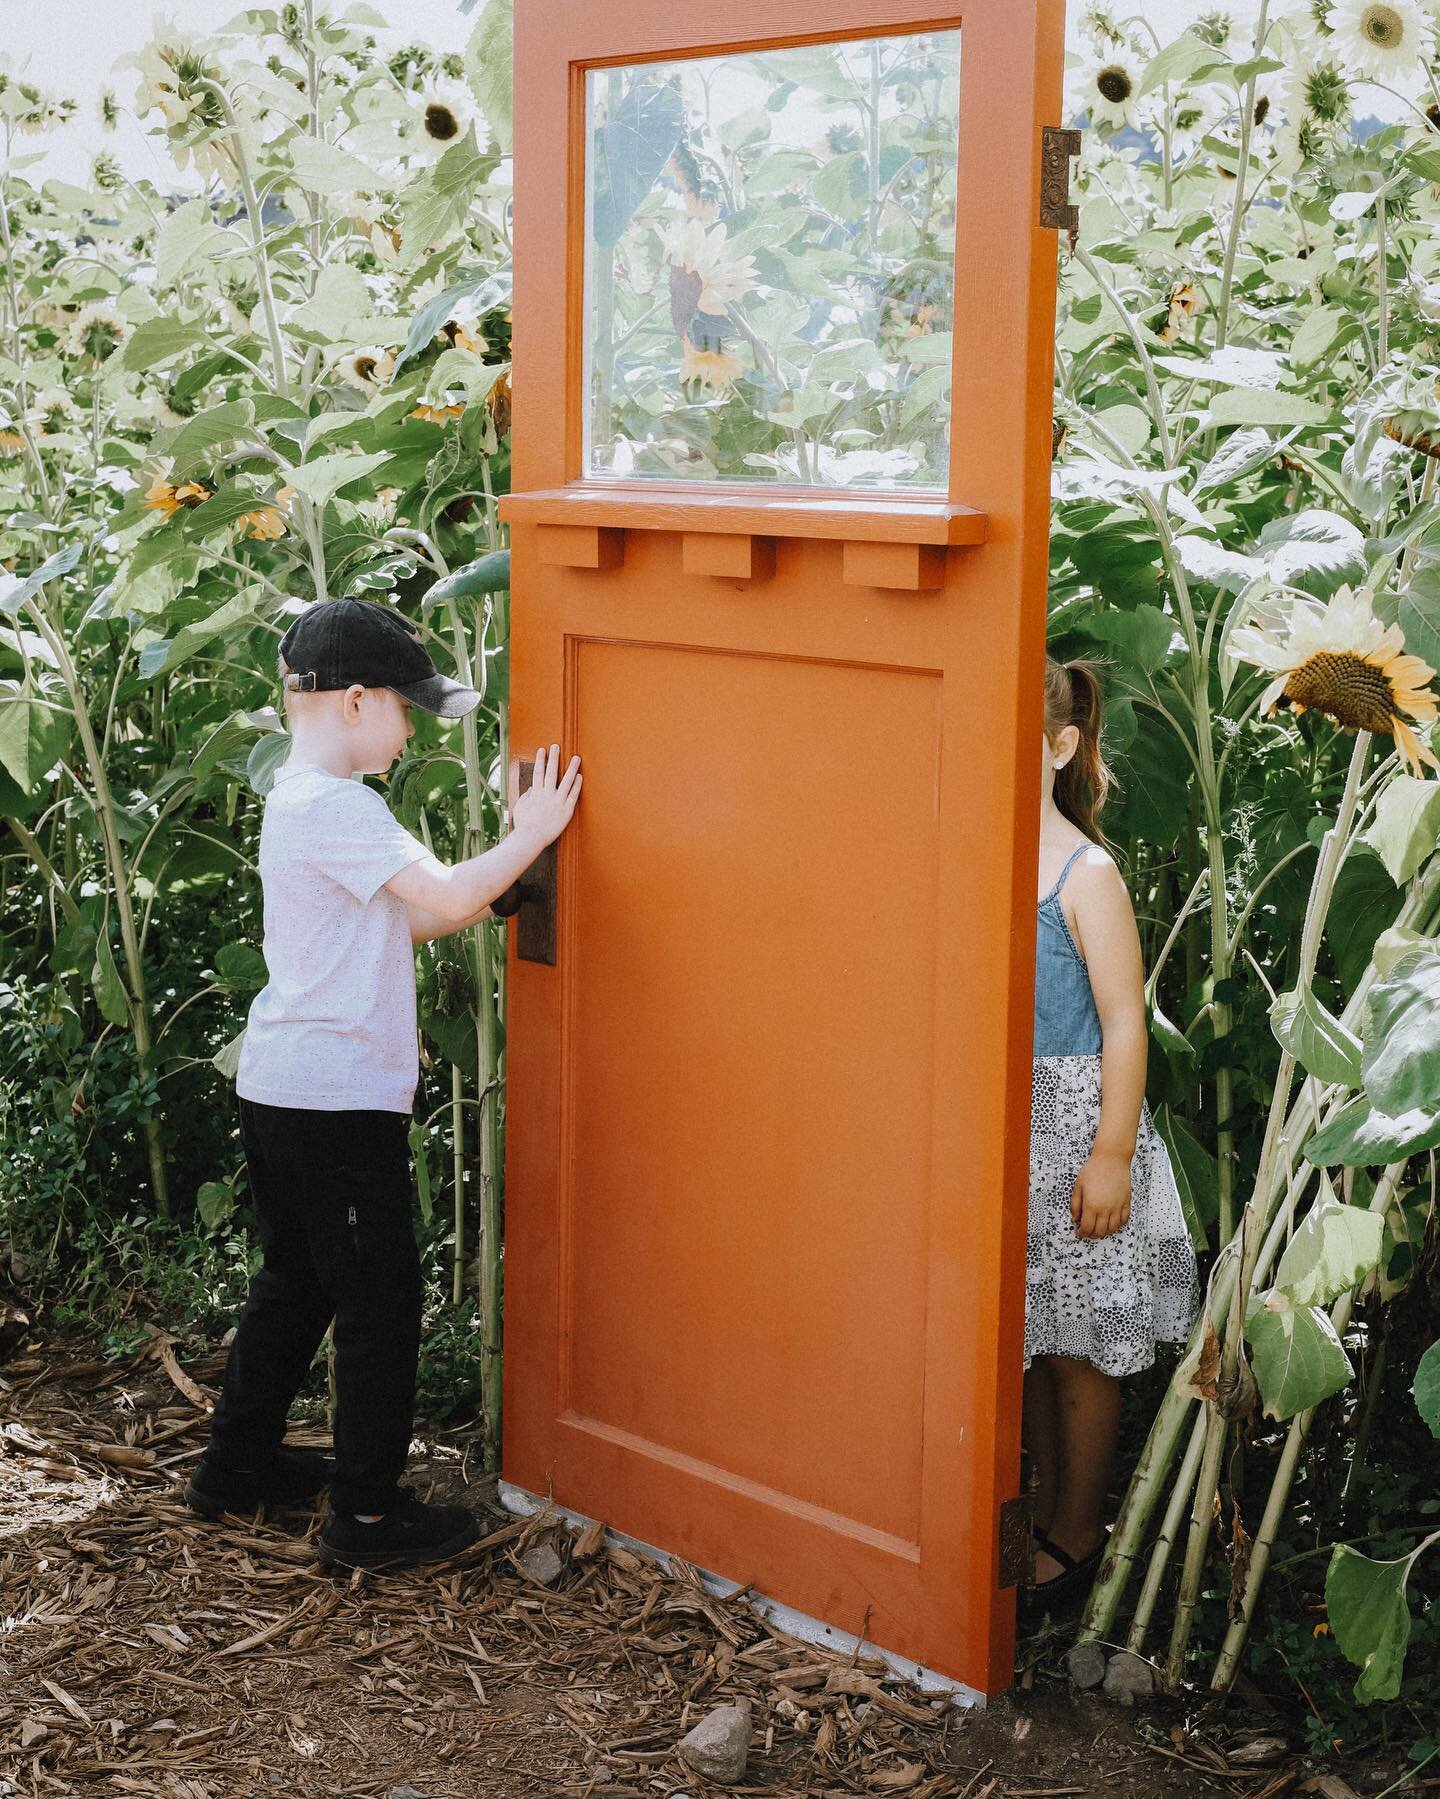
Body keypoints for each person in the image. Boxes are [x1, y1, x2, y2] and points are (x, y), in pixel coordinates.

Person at [184, 596, 582, 1571]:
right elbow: (446, 890)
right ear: (356, 702)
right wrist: (530, 831)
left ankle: (231, 1469)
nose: (410, 730)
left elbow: (404, 919)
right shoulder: (341, 805)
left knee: (297, 1280)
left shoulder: (294, 795)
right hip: (334, 1101)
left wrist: (492, 883)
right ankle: (364, 1517)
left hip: (282, 1085)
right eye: (407, 709)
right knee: (378, 1300)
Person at [1021, 655, 1197, 1622]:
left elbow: (1125, 1022)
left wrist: (1112, 1154)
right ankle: (1042, 1513)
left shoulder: (1086, 872)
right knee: (1034, 1339)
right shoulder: (980, 853)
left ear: (1061, 747)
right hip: (1008, 1137)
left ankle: (1078, 1530)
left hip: (1075, 1137)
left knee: (1081, 1346)